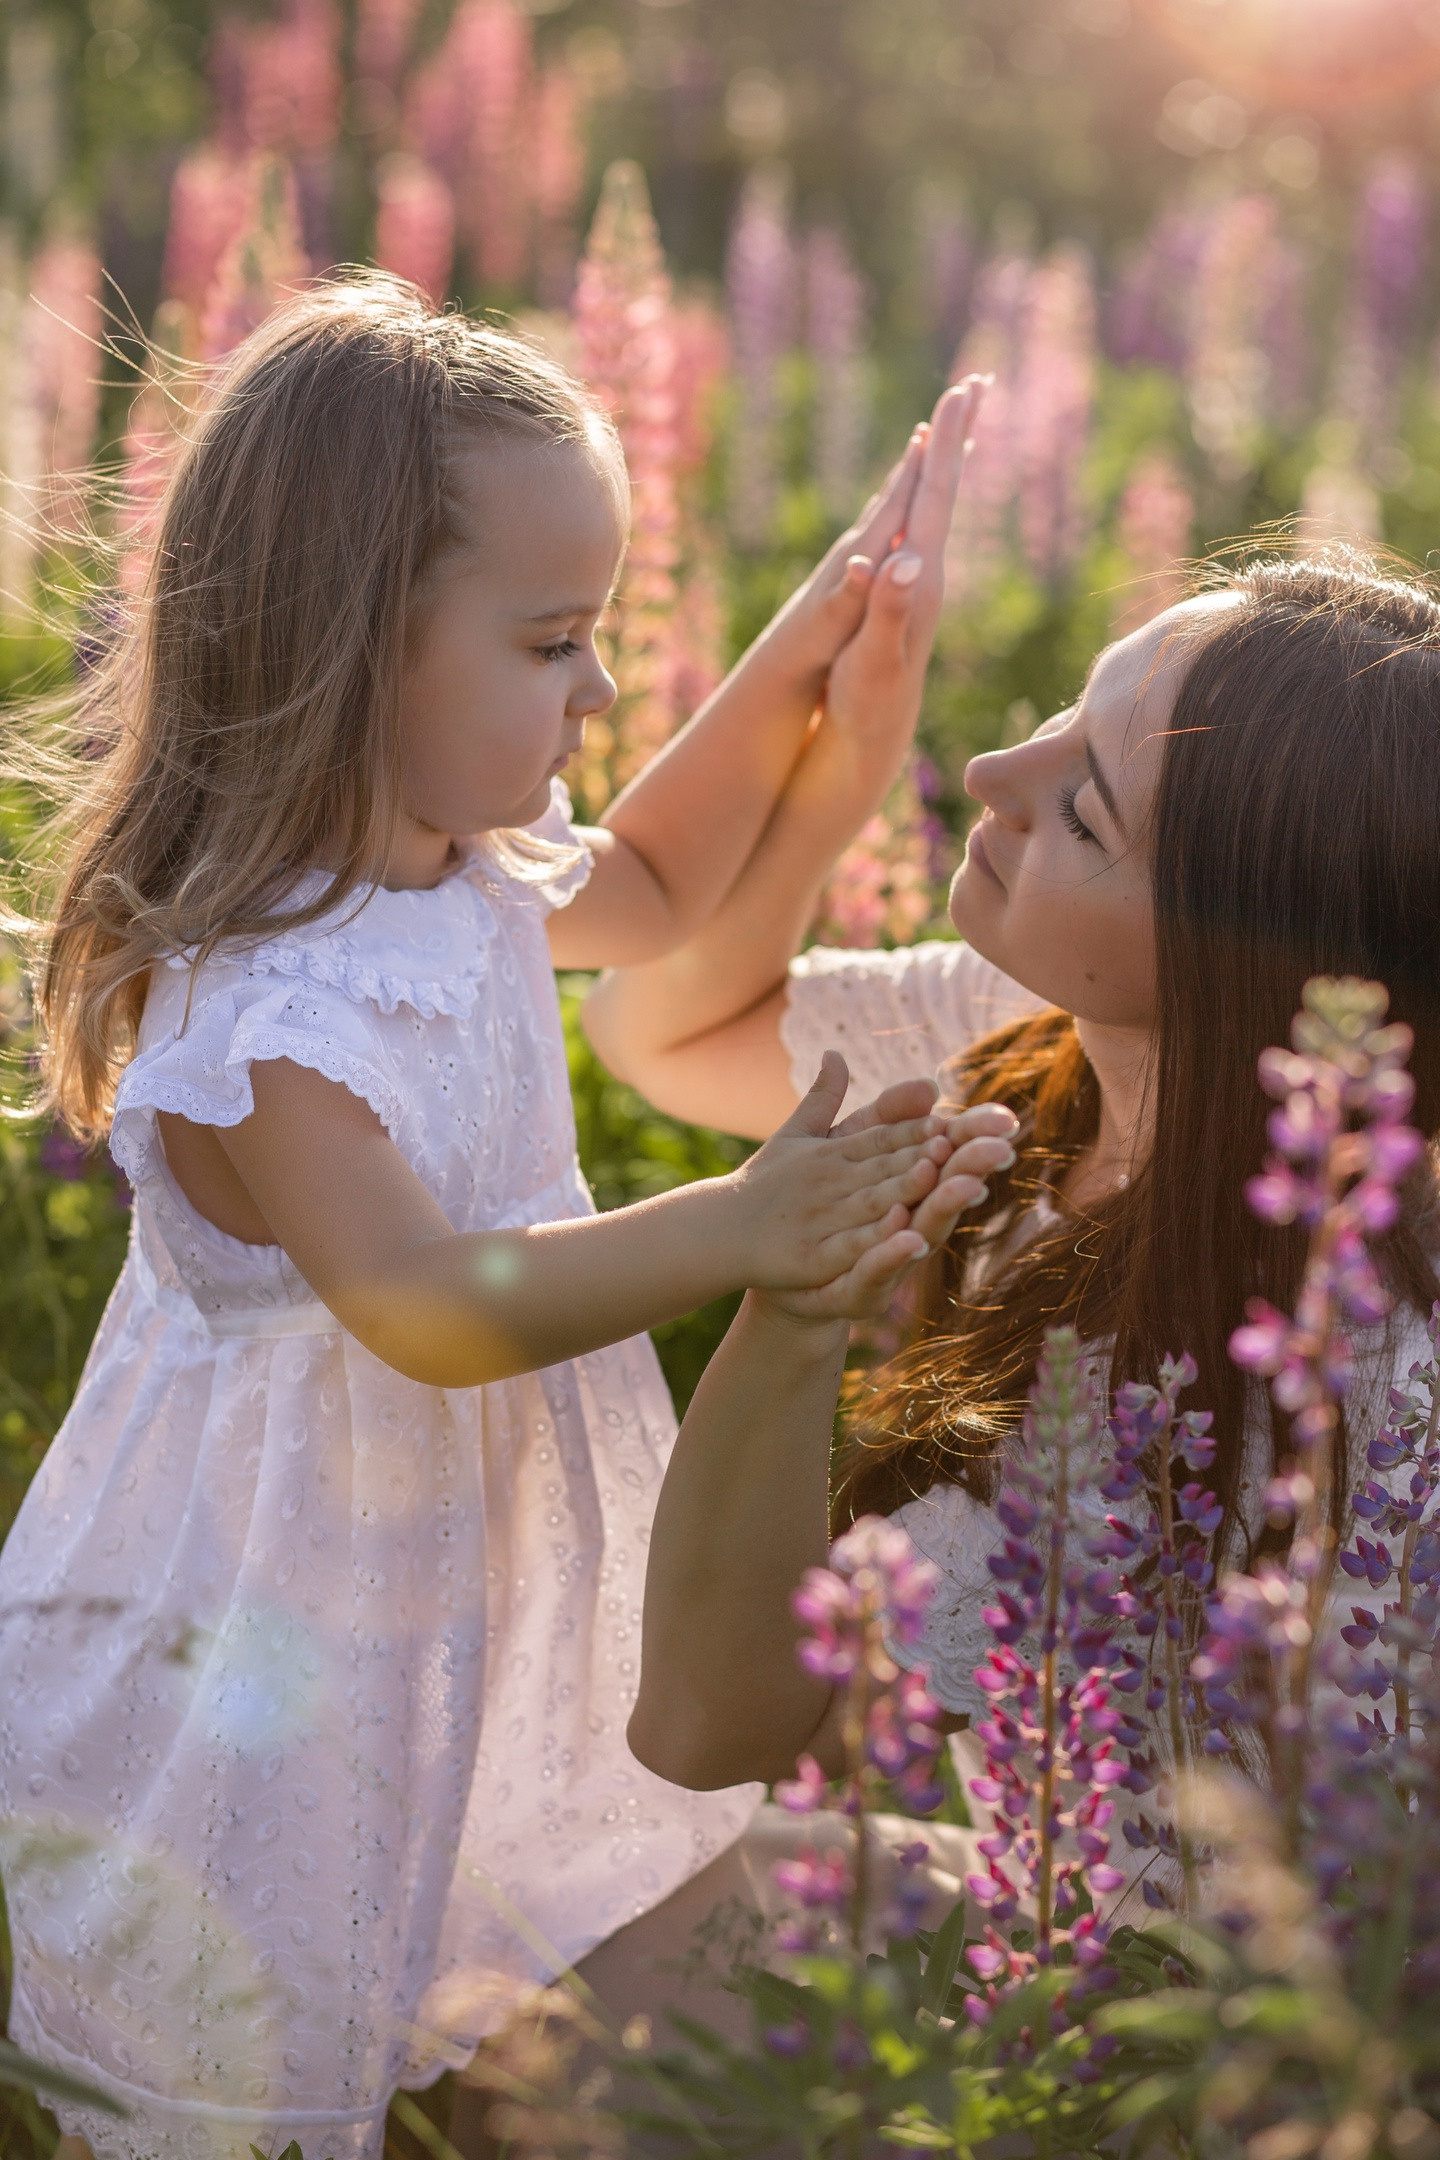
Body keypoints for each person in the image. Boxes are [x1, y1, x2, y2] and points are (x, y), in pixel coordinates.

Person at [0, 273, 1000, 2160]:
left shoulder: (459, 876)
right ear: (357, 646)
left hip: (439, 1594)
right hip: (269, 1656)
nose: (604, 689)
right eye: (556, 641)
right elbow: (425, 1308)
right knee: (264, 2058)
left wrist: (824, 649)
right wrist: (737, 1224)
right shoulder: (266, 1010)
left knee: (486, 1924)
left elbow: (658, 874)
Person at [589, 552, 1440, 1929]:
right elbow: (656, 1031)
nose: (992, 771)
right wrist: (841, 753)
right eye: (1063, 711)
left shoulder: (1236, 1361)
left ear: (1225, 959)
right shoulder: (1045, 1036)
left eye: (1082, 812)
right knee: (538, 1907)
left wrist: (796, 1296)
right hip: (1073, 1906)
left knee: (550, 1943)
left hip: (1197, 2036)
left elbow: (707, 1721)